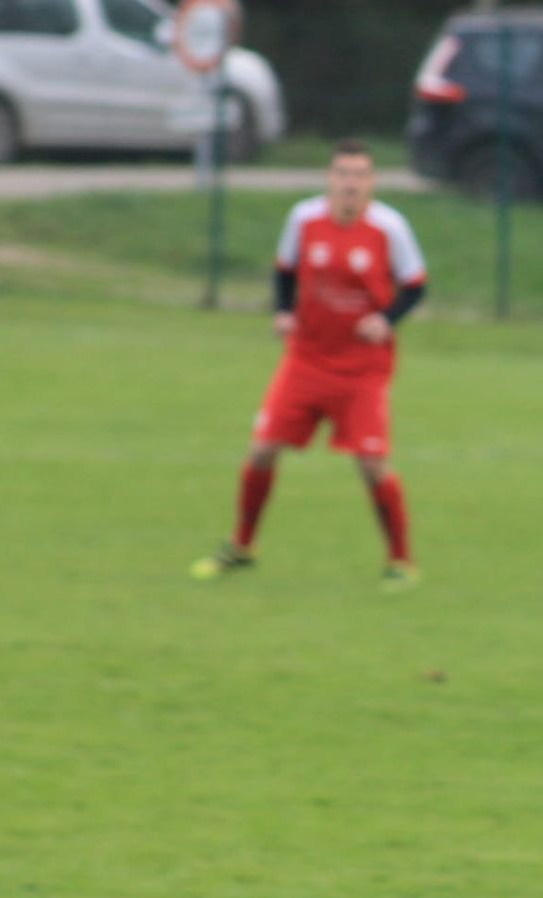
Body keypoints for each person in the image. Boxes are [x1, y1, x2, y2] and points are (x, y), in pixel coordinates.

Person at [191, 140, 428, 589]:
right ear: (329, 179)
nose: (350, 183)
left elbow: (416, 286)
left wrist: (386, 318)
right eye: (342, 174)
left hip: (363, 368)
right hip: (306, 359)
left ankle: (401, 561)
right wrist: (283, 311)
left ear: (372, 182)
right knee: (262, 449)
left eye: (359, 175)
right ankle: (242, 546)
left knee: (372, 462)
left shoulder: (390, 228)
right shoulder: (303, 219)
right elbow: (285, 270)